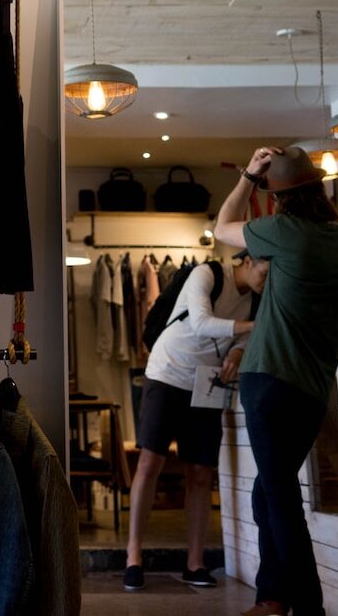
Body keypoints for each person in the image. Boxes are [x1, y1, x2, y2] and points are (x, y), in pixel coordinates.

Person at [213, 146, 338, 616]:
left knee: (281, 499)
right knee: (269, 491)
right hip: (312, 389)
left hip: (269, 380)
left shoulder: (280, 231)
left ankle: (308, 607)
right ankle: (272, 596)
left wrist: (248, 177)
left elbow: (221, 227)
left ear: (279, 200)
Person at [124, 251, 269, 593]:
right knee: (150, 462)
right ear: (247, 260)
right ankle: (133, 556)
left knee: (202, 473)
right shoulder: (207, 273)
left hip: (208, 380)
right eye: (265, 269)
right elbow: (201, 322)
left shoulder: (258, 300)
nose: (267, 277)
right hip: (168, 370)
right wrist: (253, 327)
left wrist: (238, 350)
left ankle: (195, 562)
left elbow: (244, 340)